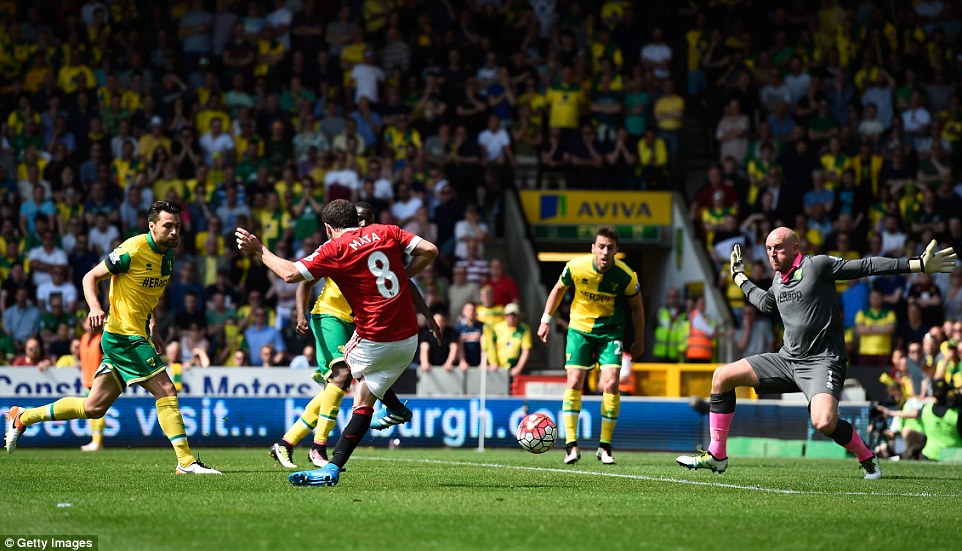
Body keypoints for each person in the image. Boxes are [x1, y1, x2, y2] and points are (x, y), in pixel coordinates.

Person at [676, 227, 957, 479]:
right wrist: (739, 277)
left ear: (795, 247)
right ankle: (717, 456)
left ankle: (866, 457)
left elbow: (867, 265)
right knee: (722, 376)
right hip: (787, 360)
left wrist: (917, 264)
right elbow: (765, 305)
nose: (773, 254)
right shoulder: (777, 280)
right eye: (769, 249)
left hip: (823, 361)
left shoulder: (817, 266)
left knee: (824, 422)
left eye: (779, 247)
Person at [5, 201, 220, 474]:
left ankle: (22, 416)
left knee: (93, 408)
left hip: (135, 335)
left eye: (177, 226)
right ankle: (186, 462)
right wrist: (95, 307)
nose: (175, 231)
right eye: (168, 226)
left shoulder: (167, 257)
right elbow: (89, 277)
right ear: (152, 226)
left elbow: (146, 298)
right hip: (123, 337)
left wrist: (154, 327)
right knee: (166, 389)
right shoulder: (132, 249)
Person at [235, 198, 438, 487]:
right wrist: (403, 277)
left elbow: (290, 274)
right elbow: (430, 250)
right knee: (363, 395)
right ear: (357, 220)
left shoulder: (335, 248)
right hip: (408, 339)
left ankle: (312, 445)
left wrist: (259, 249)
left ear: (328, 228)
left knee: (340, 379)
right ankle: (334, 463)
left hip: (375, 338)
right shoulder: (387, 231)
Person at [538, 227, 646, 465]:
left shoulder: (626, 276)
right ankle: (571, 445)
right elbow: (558, 289)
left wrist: (640, 340)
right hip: (579, 331)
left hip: (610, 332)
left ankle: (605, 447)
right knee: (574, 381)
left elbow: (637, 308)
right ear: (593, 248)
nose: (605, 251)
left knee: (611, 383)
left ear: (616, 250)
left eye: (610, 247)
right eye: (601, 246)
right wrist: (546, 319)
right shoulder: (576, 267)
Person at [79, 319, 104, 451]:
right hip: (86, 380)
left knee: (98, 410)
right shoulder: (84, 338)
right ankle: (95, 440)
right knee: (90, 411)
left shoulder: (101, 340)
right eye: (87, 323)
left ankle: (97, 441)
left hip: (98, 380)